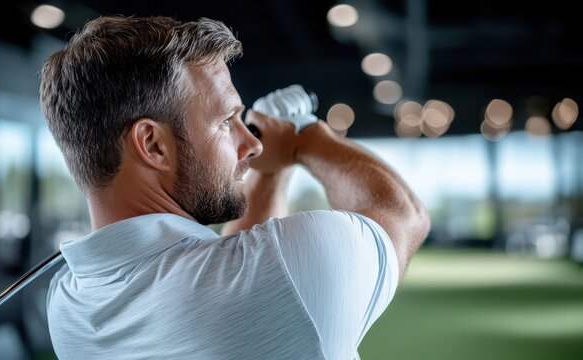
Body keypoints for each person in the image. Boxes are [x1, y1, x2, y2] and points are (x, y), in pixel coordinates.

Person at [40, 15, 430, 360]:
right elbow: (401, 215)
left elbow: (230, 267)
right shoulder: (288, 266)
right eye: (227, 121)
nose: (253, 144)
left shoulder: (67, 305)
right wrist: (307, 137)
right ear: (154, 145)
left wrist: (269, 170)